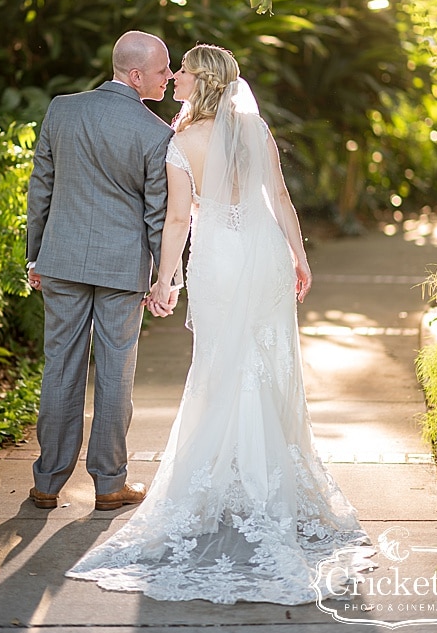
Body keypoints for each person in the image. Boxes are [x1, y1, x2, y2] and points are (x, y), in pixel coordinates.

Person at [67, 44, 371, 604]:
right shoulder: (256, 131)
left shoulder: (181, 143)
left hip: (219, 261)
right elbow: (278, 197)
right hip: (266, 254)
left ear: (200, 82)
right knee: (266, 365)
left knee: (219, 366)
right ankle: (264, 484)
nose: (174, 77)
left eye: (181, 71)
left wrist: (165, 280)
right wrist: (299, 256)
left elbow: (179, 218)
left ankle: (230, 483)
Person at [25, 30, 176, 511]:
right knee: (115, 375)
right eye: (161, 71)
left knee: (60, 368)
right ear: (136, 75)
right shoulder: (157, 135)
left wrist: (35, 256)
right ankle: (110, 483)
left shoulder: (61, 110)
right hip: (121, 269)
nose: (169, 78)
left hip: (62, 261)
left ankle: (47, 482)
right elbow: (158, 215)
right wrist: (162, 278)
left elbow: (40, 189)